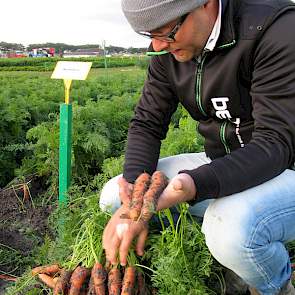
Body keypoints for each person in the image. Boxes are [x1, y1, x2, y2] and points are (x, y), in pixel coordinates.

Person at [101, 0, 295, 294]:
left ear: (205, 4)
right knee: (115, 196)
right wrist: (135, 194)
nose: (157, 46)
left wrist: (191, 185)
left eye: (166, 32)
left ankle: (274, 283)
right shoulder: (169, 51)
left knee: (230, 231)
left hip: (286, 166)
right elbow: (147, 122)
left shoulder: (275, 28)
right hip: (227, 160)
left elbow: (275, 143)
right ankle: (222, 258)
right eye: (149, 35)